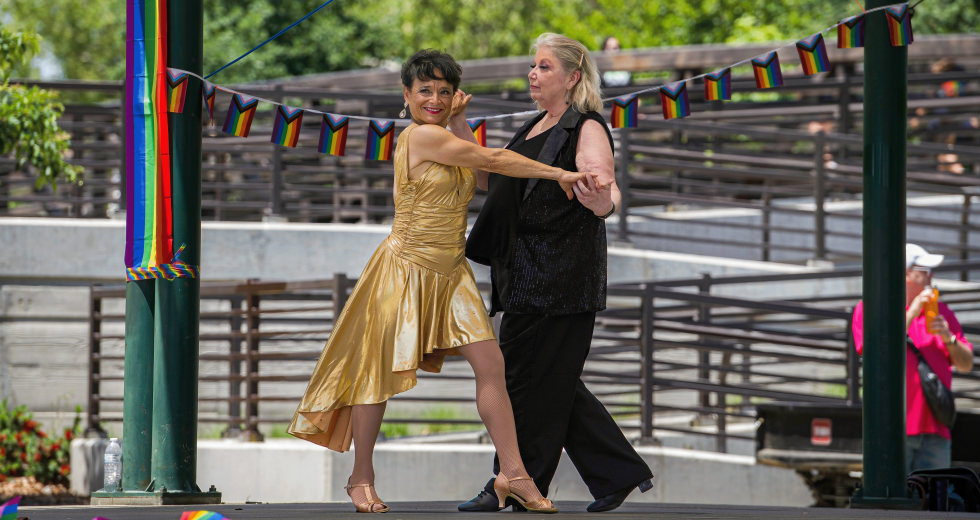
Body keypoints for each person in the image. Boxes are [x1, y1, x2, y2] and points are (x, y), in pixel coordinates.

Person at [288, 49, 597, 514]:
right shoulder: (417, 138)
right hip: (405, 269)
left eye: (444, 91)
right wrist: (559, 172)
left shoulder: (445, 133)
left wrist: (461, 118)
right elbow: (490, 158)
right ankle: (360, 477)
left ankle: (513, 474)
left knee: (491, 366)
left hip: (451, 273)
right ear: (407, 96)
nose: (435, 98)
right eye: (425, 90)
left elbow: (476, 176)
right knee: (377, 376)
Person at [460, 33, 654, 514]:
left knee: (526, 383)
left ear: (571, 78)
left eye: (544, 66)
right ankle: (616, 473)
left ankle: (510, 483)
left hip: (560, 278)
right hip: (524, 275)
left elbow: (602, 184)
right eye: (533, 65)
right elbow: (488, 174)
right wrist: (459, 123)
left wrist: (599, 197)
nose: (533, 73)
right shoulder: (532, 127)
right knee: (548, 381)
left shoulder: (584, 127)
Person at [852, 244, 974, 473]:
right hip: (892, 430)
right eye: (925, 271)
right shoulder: (869, 308)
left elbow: (966, 364)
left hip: (936, 432)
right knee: (893, 503)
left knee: (935, 502)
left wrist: (949, 339)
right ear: (906, 273)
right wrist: (911, 312)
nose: (931, 277)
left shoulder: (941, 312)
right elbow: (877, 351)